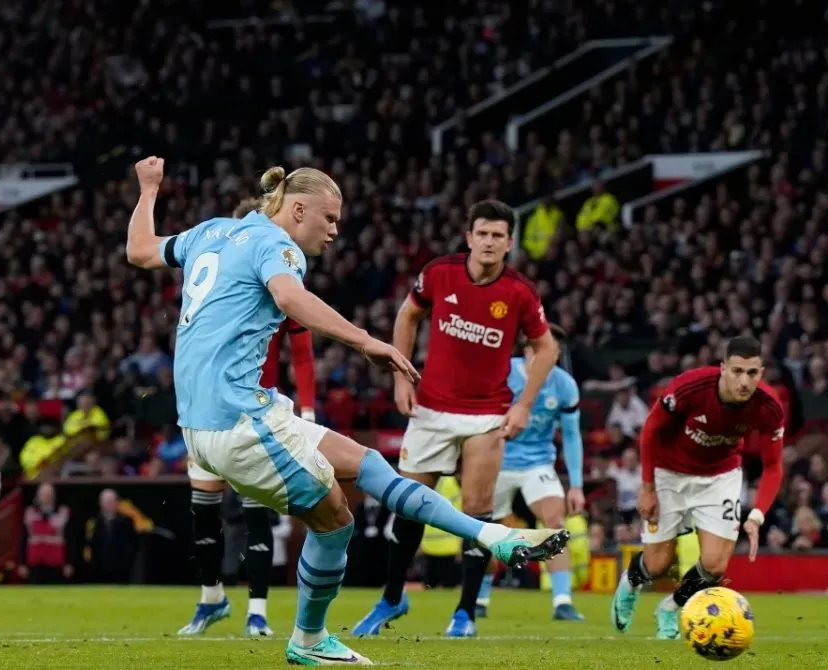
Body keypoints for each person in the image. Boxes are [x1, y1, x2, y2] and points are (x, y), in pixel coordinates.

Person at [124, 157, 567, 666]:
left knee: (368, 464)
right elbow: (290, 298)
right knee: (336, 520)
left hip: (226, 417)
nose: (335, 230)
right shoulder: (279, 247)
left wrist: (148, 190)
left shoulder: (211, 231)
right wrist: (364, 341)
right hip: (238, 424)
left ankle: (495, 536)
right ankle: (309, 640)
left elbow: (140, 250)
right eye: (329, 218)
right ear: (297, 209)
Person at [354, 199, 562, 639]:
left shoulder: (520, 292)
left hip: (486, 414)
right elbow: (408, 314)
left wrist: (524, 404)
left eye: (497, 235)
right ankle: (392, 598)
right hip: (430, 409)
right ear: (469, 237)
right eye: (482, 233)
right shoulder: (439, 272)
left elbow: (547, 348)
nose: (489, 242)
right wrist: (401, 376)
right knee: (406, 506)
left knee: (478, 511)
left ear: (509, 243)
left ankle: (465, 613)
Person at [611, 336, 786, 640]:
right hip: (669, 473)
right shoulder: (691, 387)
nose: (744, 381)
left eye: (752, 373)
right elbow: (651, 429)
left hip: (720, 477)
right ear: (723, 368)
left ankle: (671, 607)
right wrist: (648, 487)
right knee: (657, 564)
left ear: (761, 373)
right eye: (737, 371)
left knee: (715, 565)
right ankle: (630, 582)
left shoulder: (768, 407)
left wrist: (757, 516)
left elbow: (773, 466)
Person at [179, 310, 316, 638]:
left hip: (255, 414)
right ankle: (211, 598)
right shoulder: (214, 291)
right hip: (208, 410)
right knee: (203, 509)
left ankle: (257, 614)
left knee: (256, 514)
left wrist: (308, 411)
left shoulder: (281, 290)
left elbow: (302, 353)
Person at [475, 324, 586, 621]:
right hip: (497, 460)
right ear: (526, 351)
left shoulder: (564, 386)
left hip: (538, 463)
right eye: (542, 349)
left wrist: (576, 485)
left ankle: (562, 602)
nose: (549, 356)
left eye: (554, 352)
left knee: (555, 524)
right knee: (485, 528)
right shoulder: (503, 373)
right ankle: (480, 598)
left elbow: (572, 436)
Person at [85, 489, 138, 583]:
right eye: (106, 502)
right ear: (100, 504)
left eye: (111, 502)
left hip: (121, 569)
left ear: (117, 503)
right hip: (98, 569)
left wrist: (127, 561)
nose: (108, 505)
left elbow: (133, 544)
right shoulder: (93, 522)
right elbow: (88, 544)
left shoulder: (126, 522)